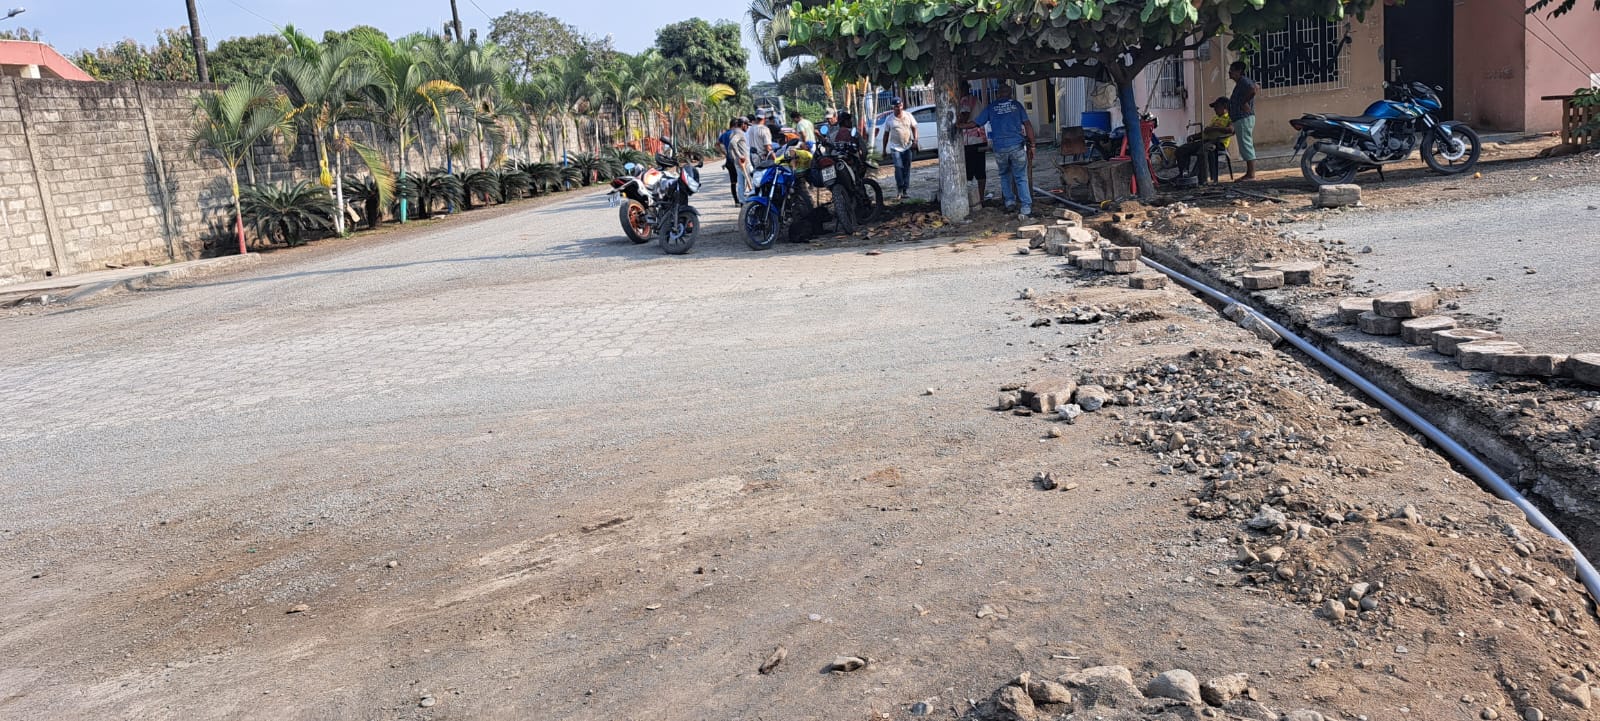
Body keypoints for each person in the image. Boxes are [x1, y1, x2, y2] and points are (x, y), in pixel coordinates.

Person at [961, 84, 1035, 219]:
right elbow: (1028, 125)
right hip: (1017, 146)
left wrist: (959, 125)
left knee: (1005, 175)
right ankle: (1026, 208)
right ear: (1011, 94)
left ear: (997, 94)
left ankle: (1009, 203)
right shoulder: (1017, 105)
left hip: (1000, 148)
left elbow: (975, 124)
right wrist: (1033, 145)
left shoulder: (991, 107)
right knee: (1020, 177)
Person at [1175, 97, 1234, 185]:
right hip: (1206, 140)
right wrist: (1194, 137)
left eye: (1217, 107)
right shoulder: (1215, 118)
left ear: (1225, 106)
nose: (1215, 109)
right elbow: (1206, 132)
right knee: (1181, 150)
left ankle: (1201, 179)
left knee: (1202, 151)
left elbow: (1231, 130)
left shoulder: (1230, 117)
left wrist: (1213, 129)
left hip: (1218, 143)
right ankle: (1184, 174)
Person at [879, 97, 918, 200]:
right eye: (896, 106)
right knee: (898, 168)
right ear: (893, 107)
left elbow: (914, 128)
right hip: (895, 148)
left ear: (902, 105)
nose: (899, 108)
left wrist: (915, 141)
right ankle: (899, 189)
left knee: (906, 169)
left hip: (908, 146)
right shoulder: (889, 119)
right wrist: (884, 150)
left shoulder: (908, 115)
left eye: (900, 105)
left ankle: (905, 190)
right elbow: (886, 135)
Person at [1228, 60, 1258, 181]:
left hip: (1243, 117)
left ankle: (1251, 174)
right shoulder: (1241, 83)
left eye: (1232, 70)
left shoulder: (1244, 81)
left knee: (1246, 145)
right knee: (1244, 145)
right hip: (1239, 119)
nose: (1230, 72)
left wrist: (1244, 102)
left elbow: (1254, 89)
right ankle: (1249, 173)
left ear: (1239, 71)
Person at [959, 101, 989, 203]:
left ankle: (971, 199)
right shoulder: (978, 102)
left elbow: (965, 116)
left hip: (970, 141)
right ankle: (981, 198)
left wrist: (957, 121)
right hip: (979, 139)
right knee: (980, 172)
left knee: (969, 173)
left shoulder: (964, 101)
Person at [717, 118, 743, 204]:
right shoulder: (736, 133)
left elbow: (717, 144)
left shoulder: (724, 134)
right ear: (736, 125)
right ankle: (742, 199)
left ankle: (736, 201)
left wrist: (724, 153)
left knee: (733, 182)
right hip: (738, 159)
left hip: (729, 160)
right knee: (742, 180)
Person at [728, 117, 752, 204]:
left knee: (741, 183)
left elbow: (730, 148)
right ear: (743, 125)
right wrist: (739, 155)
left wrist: (735, 158)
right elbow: (732, 142)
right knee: (751, 179)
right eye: (747, 125)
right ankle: (750, 201)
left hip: (739, 163)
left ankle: (742, 201)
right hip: (744, 162)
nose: (748, 127)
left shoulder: (733, 132)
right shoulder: (740, 133)